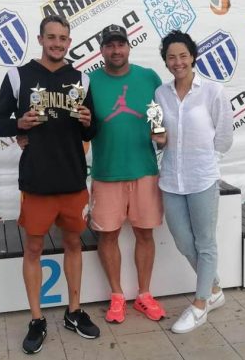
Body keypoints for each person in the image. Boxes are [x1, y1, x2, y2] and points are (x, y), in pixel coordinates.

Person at [0, 15, 100, 354]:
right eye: (51, 37)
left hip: (73, 178)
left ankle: (74, 311)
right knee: (33, 249)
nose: (57, 43)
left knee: (74, 244)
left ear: (69, 42)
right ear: (40, 39)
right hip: (36, 181)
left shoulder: (81, 79)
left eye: (63, 38)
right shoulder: (18, 76)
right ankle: (36, 318)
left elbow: (92, 130)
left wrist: (88, 122)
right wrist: (18, 124)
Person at [153, 30, 233, 333]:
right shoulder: (160, 94)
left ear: (193, 57)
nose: (178, 62)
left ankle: (200, 305)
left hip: (202, 179)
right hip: (171, 179)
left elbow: (224, 136)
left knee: (205, 241)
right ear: (166, 61)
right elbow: (159, 135)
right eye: (171, 57)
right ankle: (214, 288)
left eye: (183, 56)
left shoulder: (213, 91)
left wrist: (208, 161)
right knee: (183, 241)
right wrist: (159, 140)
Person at [87, 24, 166, 323]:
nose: (116, 50)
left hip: (144, 171)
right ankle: (117, 296)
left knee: (145, 234)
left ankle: (144, 295)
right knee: (107, 236)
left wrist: (162, 136)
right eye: (109, 45)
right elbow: (79, 126)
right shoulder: (88, 82)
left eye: (120, 44)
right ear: (101, 50)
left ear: (129, 47)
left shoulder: (149, 77)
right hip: (106, 173)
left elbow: (163, 118)